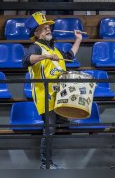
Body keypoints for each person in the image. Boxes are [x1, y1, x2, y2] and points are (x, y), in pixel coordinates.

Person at [22, 11, 83, 169]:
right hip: (46, 97)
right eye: (43, 28)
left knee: (56, 127)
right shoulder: (35, 47)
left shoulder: (55, 50)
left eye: (48, 27)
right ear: (36, 33)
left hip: (60, 96)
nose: (48, 29)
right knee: (49, 131)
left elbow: (69, 56)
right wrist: (46, 56)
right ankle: (46, 164)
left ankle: (66, 118)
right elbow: (27, 60)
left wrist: (78, 40)